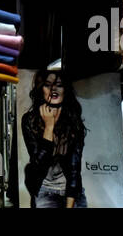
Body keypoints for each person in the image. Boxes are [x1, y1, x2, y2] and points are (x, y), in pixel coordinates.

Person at [21, 69, 87, 208]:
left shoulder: (73, 121)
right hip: (45, 191)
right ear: (41, 89)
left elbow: (75, 170)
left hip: (72, 192)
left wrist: (70, 206)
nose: (53, 89)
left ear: (65, 90)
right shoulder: (30, 121)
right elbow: (38, 166)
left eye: (59, 84)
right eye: (48, 84)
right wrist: (49, 127)